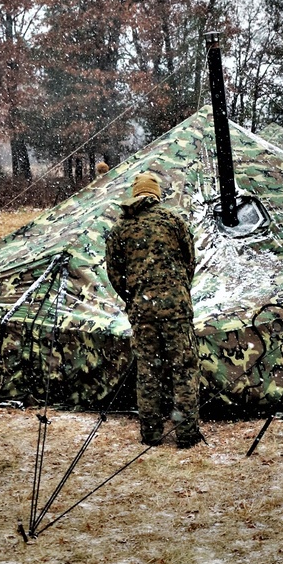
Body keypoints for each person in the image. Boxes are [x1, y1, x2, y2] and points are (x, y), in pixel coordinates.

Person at [105, 171, 201, 448]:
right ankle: (186, 434)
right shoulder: (173, 221)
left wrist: (135, 296)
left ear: (135, 193)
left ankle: (151, 434)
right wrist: (178, 290)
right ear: (156, 193)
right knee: (183, 369)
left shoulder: (120, 229)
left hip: (142, 310)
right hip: (177, 309)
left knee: (148, 371)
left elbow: (115, 274)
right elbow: (189, 261)